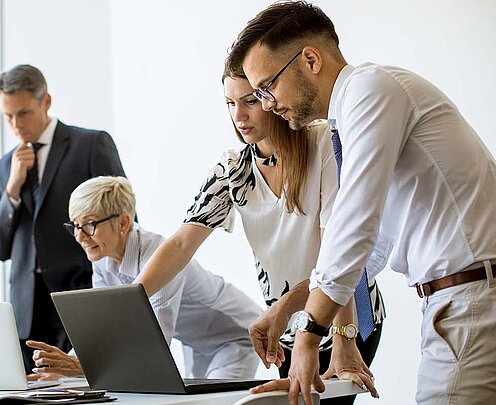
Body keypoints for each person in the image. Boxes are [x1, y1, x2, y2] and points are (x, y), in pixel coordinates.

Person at [225, 2, 496, 404]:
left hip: (468, 299)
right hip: (458, 301)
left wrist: (308, 335)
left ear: (310, 60)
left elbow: (354, 226)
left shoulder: (370, 90)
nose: (266, 105)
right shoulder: (355, 113)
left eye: (267, 87)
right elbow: (368, 254)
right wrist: (290, 305)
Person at [133, 67, 384, 404]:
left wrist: (344, 340)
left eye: (249, 100)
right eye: (230, 103)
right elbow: (180, 244)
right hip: (284, 326)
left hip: (342, 316)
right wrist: (130, 304)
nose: (239, 115)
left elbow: (338, 253)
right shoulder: (233, 168)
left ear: (271, 96)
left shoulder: (323, 143)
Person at [27, 176, 261, 380]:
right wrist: (60, 368)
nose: (80, 237)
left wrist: (82, 368)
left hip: (235, 336)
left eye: (88, 225)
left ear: (123, 223)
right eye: (75, 226)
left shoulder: (158, 257)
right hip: (197, 343)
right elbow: (103, 326)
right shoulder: (101, 257)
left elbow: (152, 348)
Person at [0, 65, 129, 373]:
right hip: (27, 311)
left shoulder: (90, 144)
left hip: (82, 296)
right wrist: (12, 188)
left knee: (85, 388)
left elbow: (124, 221)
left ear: (46, 101)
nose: (15, 125)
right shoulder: (4, 167)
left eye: (23, 113)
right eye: (8, 116)